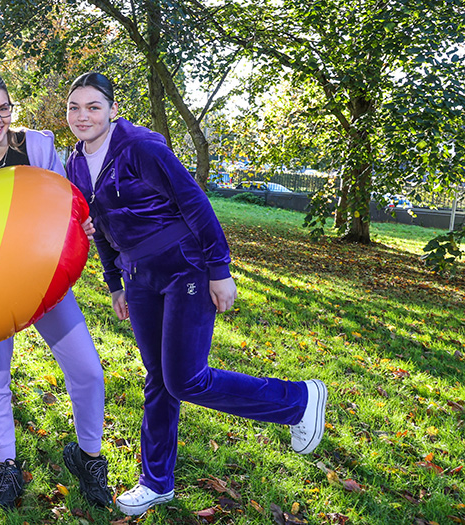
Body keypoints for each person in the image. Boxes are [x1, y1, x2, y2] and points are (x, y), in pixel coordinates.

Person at [64, 72, 327, 517]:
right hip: (139, 277)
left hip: (185, 266)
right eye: (75, 107)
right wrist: (115, 284)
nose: (83, 116)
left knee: (185, 378)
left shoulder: (142, 147)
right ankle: (156, 481)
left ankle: (298, 401)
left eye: (93, 106)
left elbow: (195, 203)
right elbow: (101, 229)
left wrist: (218, 270)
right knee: (158, 377)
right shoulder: (75, 163)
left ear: (111, 108)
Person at [0, 70, 109, 510]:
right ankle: (7, 467)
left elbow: (65, 203)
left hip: (44, 283)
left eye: (3, 108)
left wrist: (82, 223)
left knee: (89, 371)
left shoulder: (36, 146)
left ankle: (89, 458)